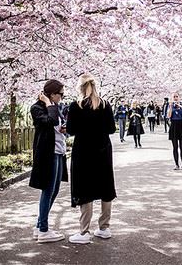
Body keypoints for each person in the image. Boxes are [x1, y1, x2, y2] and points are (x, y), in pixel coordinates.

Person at [67, 73, 117, 244]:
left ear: (80, 88)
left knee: (84, 186)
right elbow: (111, 129)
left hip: (83, 150)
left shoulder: (75, 106)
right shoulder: (105, 104)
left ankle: (84, 231)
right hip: (103, 149)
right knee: (105, 185)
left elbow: (71, 130)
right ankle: (104, 227)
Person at [29, 79, 68, 243]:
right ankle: (44, 230)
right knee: (48, 189)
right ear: (52, 94)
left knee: (55, 189)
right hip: (48, 153)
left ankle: (39, 227)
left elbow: (55, 125)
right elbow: (49, 121)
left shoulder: (54, 106)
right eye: (61, 94)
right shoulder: (37, 108)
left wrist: (63, 128)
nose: (62, 97)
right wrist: (48, 104)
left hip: (59, 151)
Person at [167, 92, 182, 170]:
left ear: (179, 97)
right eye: (174, 97)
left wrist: (180, 106)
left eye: (177, 96)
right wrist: (170, 107)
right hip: (174, 125)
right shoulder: (170, 106)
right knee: (175, 147)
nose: (175, 98)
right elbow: (169, 116)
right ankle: (176, 164)